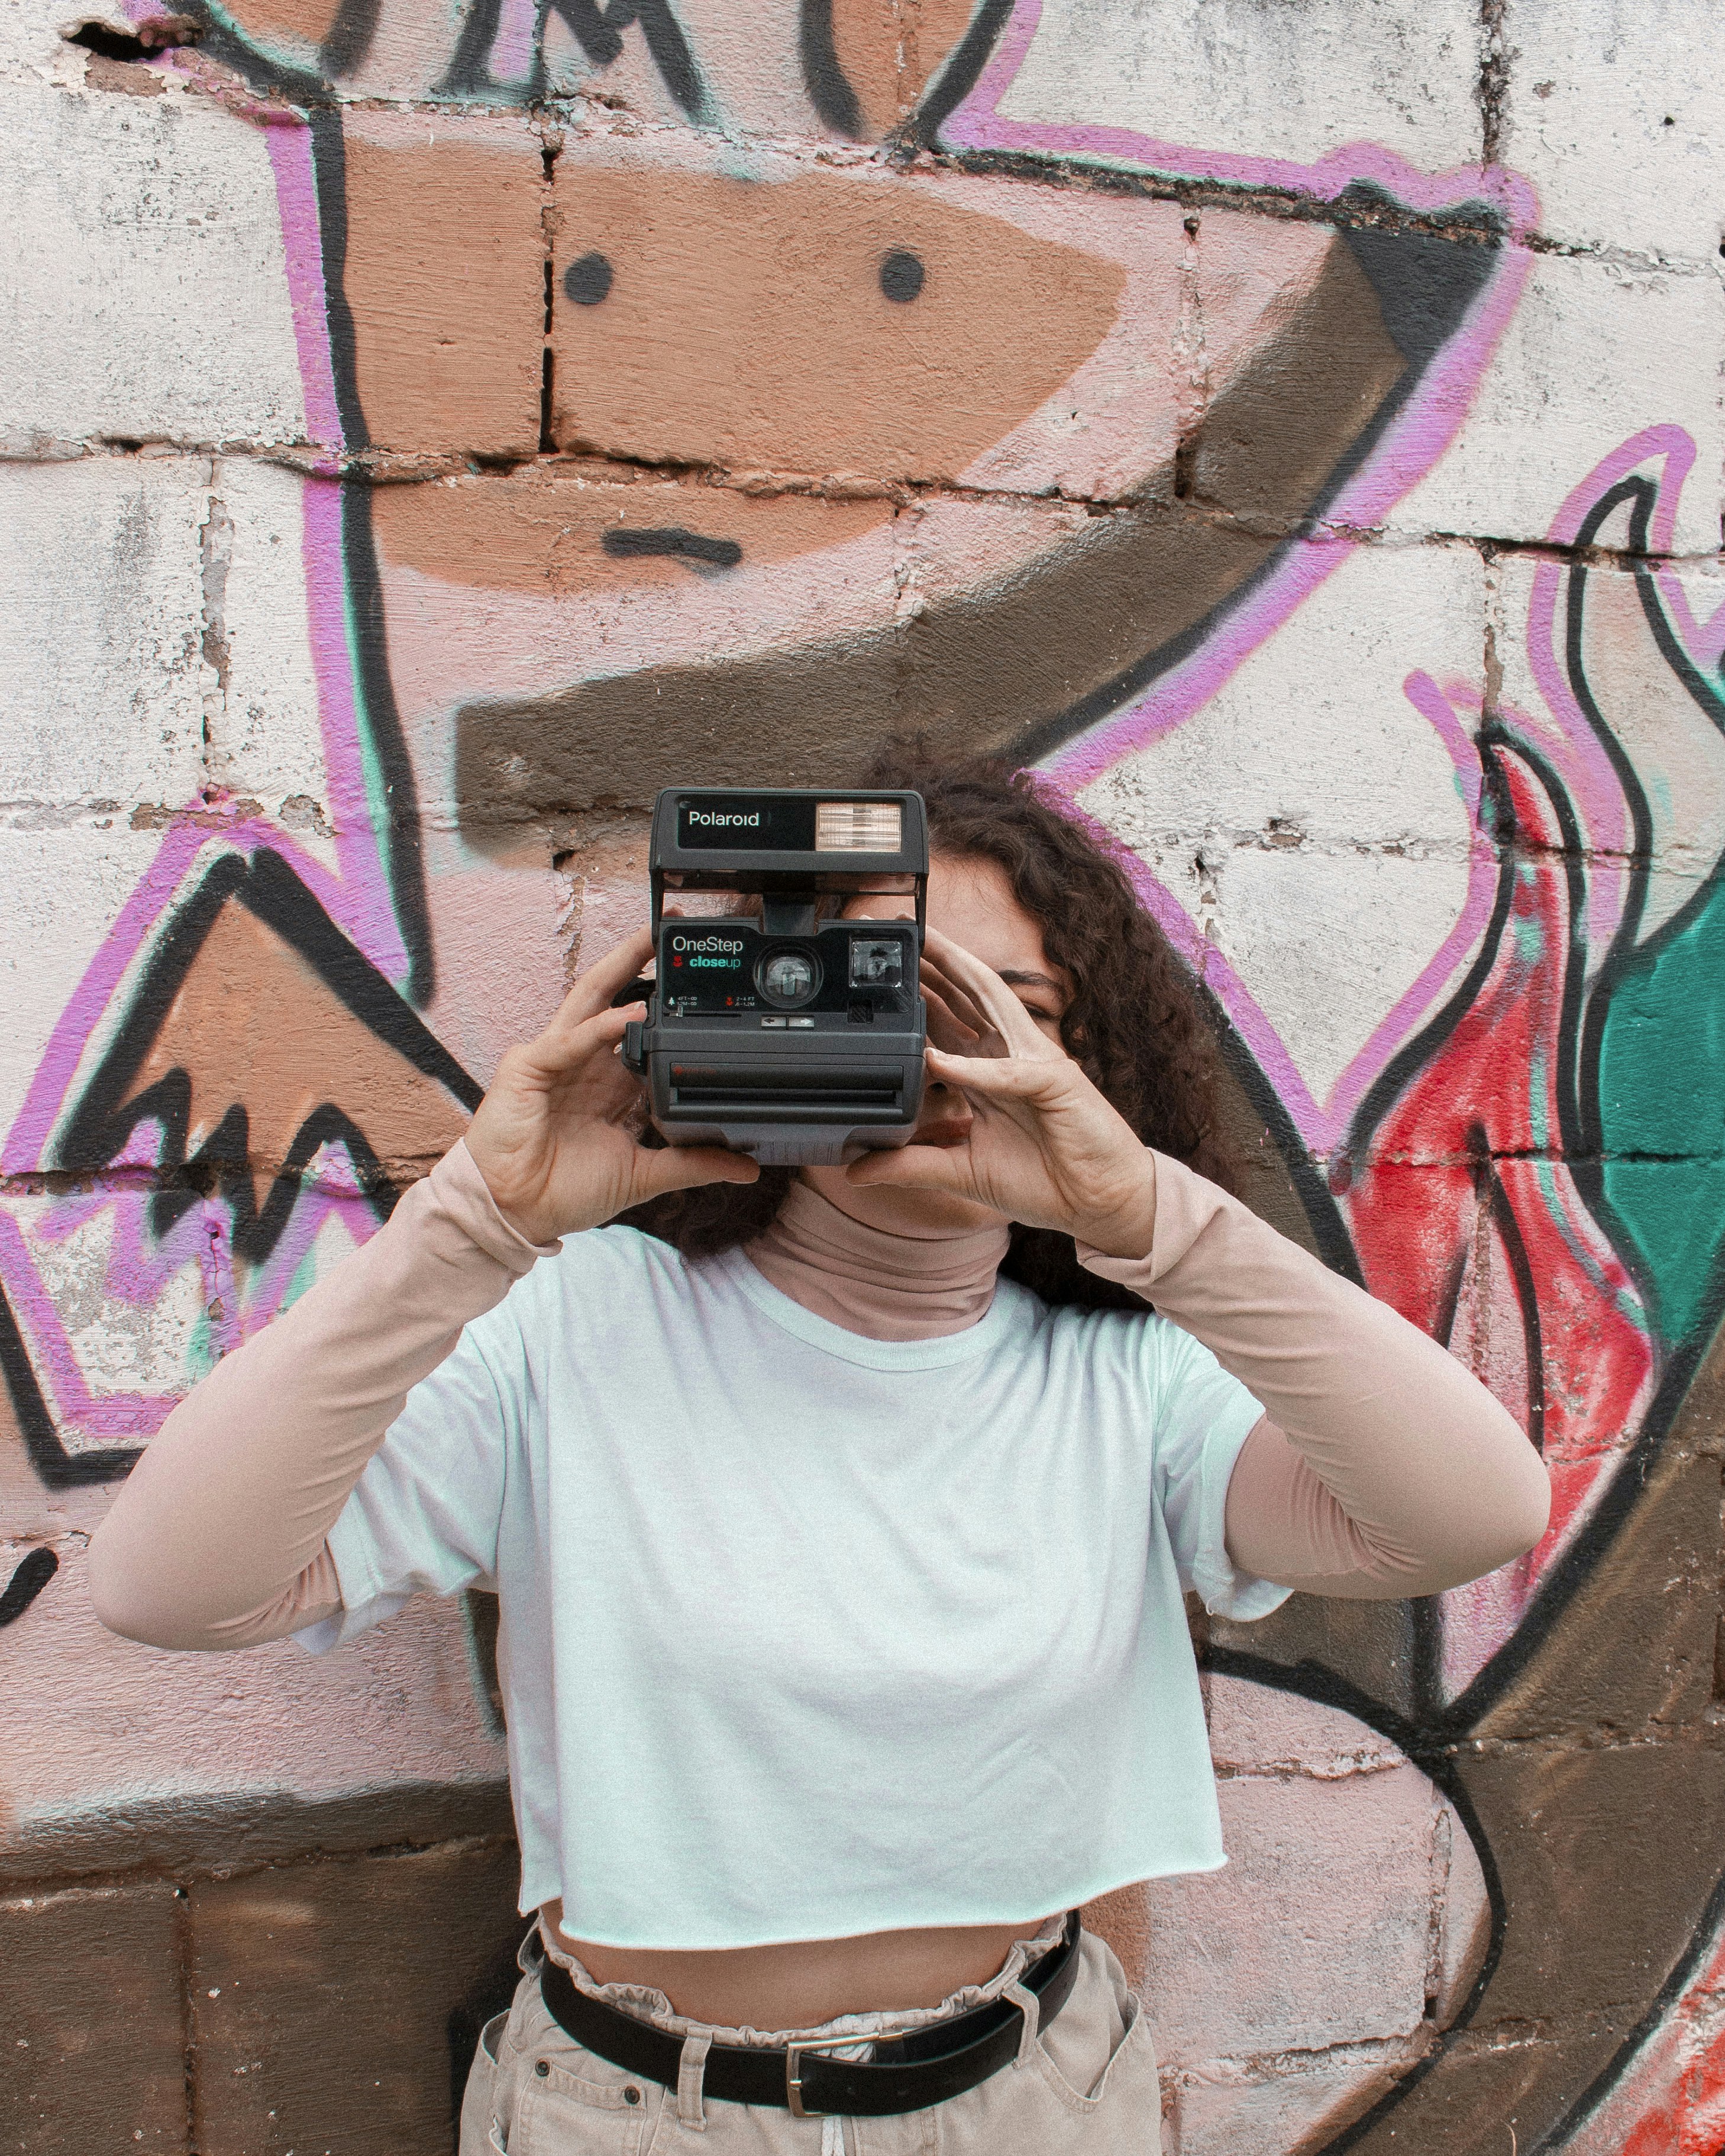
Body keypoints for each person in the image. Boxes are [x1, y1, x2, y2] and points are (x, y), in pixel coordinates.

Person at [88, 751, 1550, 2153]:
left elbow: (1469, 1512)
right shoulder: (575, 1324)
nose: (939, 1055)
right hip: (636, 2115)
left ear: (1088, 1061)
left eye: (1007, 1012)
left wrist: (1154, 1219)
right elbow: (172, 1586)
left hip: (1032, 2100)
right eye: (889, 994)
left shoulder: (1132, 1379)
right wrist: (476, 1221)